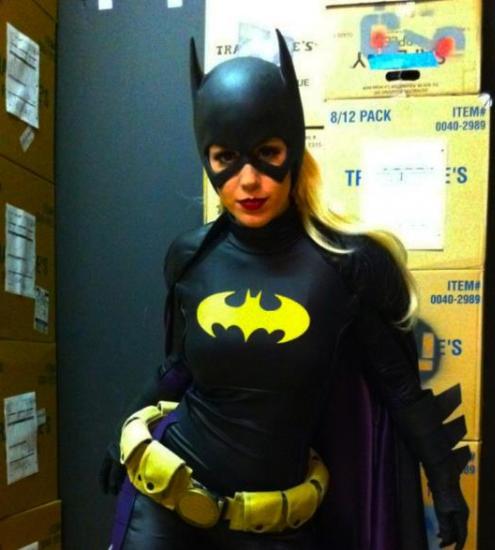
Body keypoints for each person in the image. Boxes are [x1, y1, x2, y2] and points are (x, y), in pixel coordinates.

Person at [101, 30, 470, 550]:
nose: (249, 180)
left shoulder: (347, 265)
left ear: (292, 150)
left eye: (266, 153)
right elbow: (180, 368)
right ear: (207, 159)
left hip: (276, 520)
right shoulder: (192, 257)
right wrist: (122, 437)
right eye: (226, 158)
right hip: (168, 502)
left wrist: (445, 480)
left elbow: (399, 388)